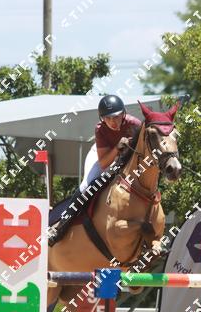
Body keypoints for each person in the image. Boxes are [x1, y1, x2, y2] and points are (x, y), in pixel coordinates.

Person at [50, 95, 142, 243]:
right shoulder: (100, 129)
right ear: (102, 118)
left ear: (123, 114)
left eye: (116, 117)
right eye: (108, 118)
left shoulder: (135, 124)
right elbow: (104, 163)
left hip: (126, 159)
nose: (112, 122)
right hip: (104, 155)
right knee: (85, 186)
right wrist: (117, 148)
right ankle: (60, 226)